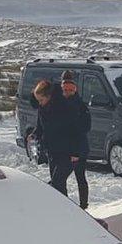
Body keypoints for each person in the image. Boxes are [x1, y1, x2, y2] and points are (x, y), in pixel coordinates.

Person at [32, 74, 91, 209]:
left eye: (70, 90)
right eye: (65, 90)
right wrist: (35, 135)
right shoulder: (44, 108)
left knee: (74, 179)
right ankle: (63, 208)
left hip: (73, 150)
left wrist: (76, 152)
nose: (67, 93)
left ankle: (82, 206)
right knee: (58, 183)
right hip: (54, 150)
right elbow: (41, 127)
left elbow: (79, 129)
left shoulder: (73, 106)